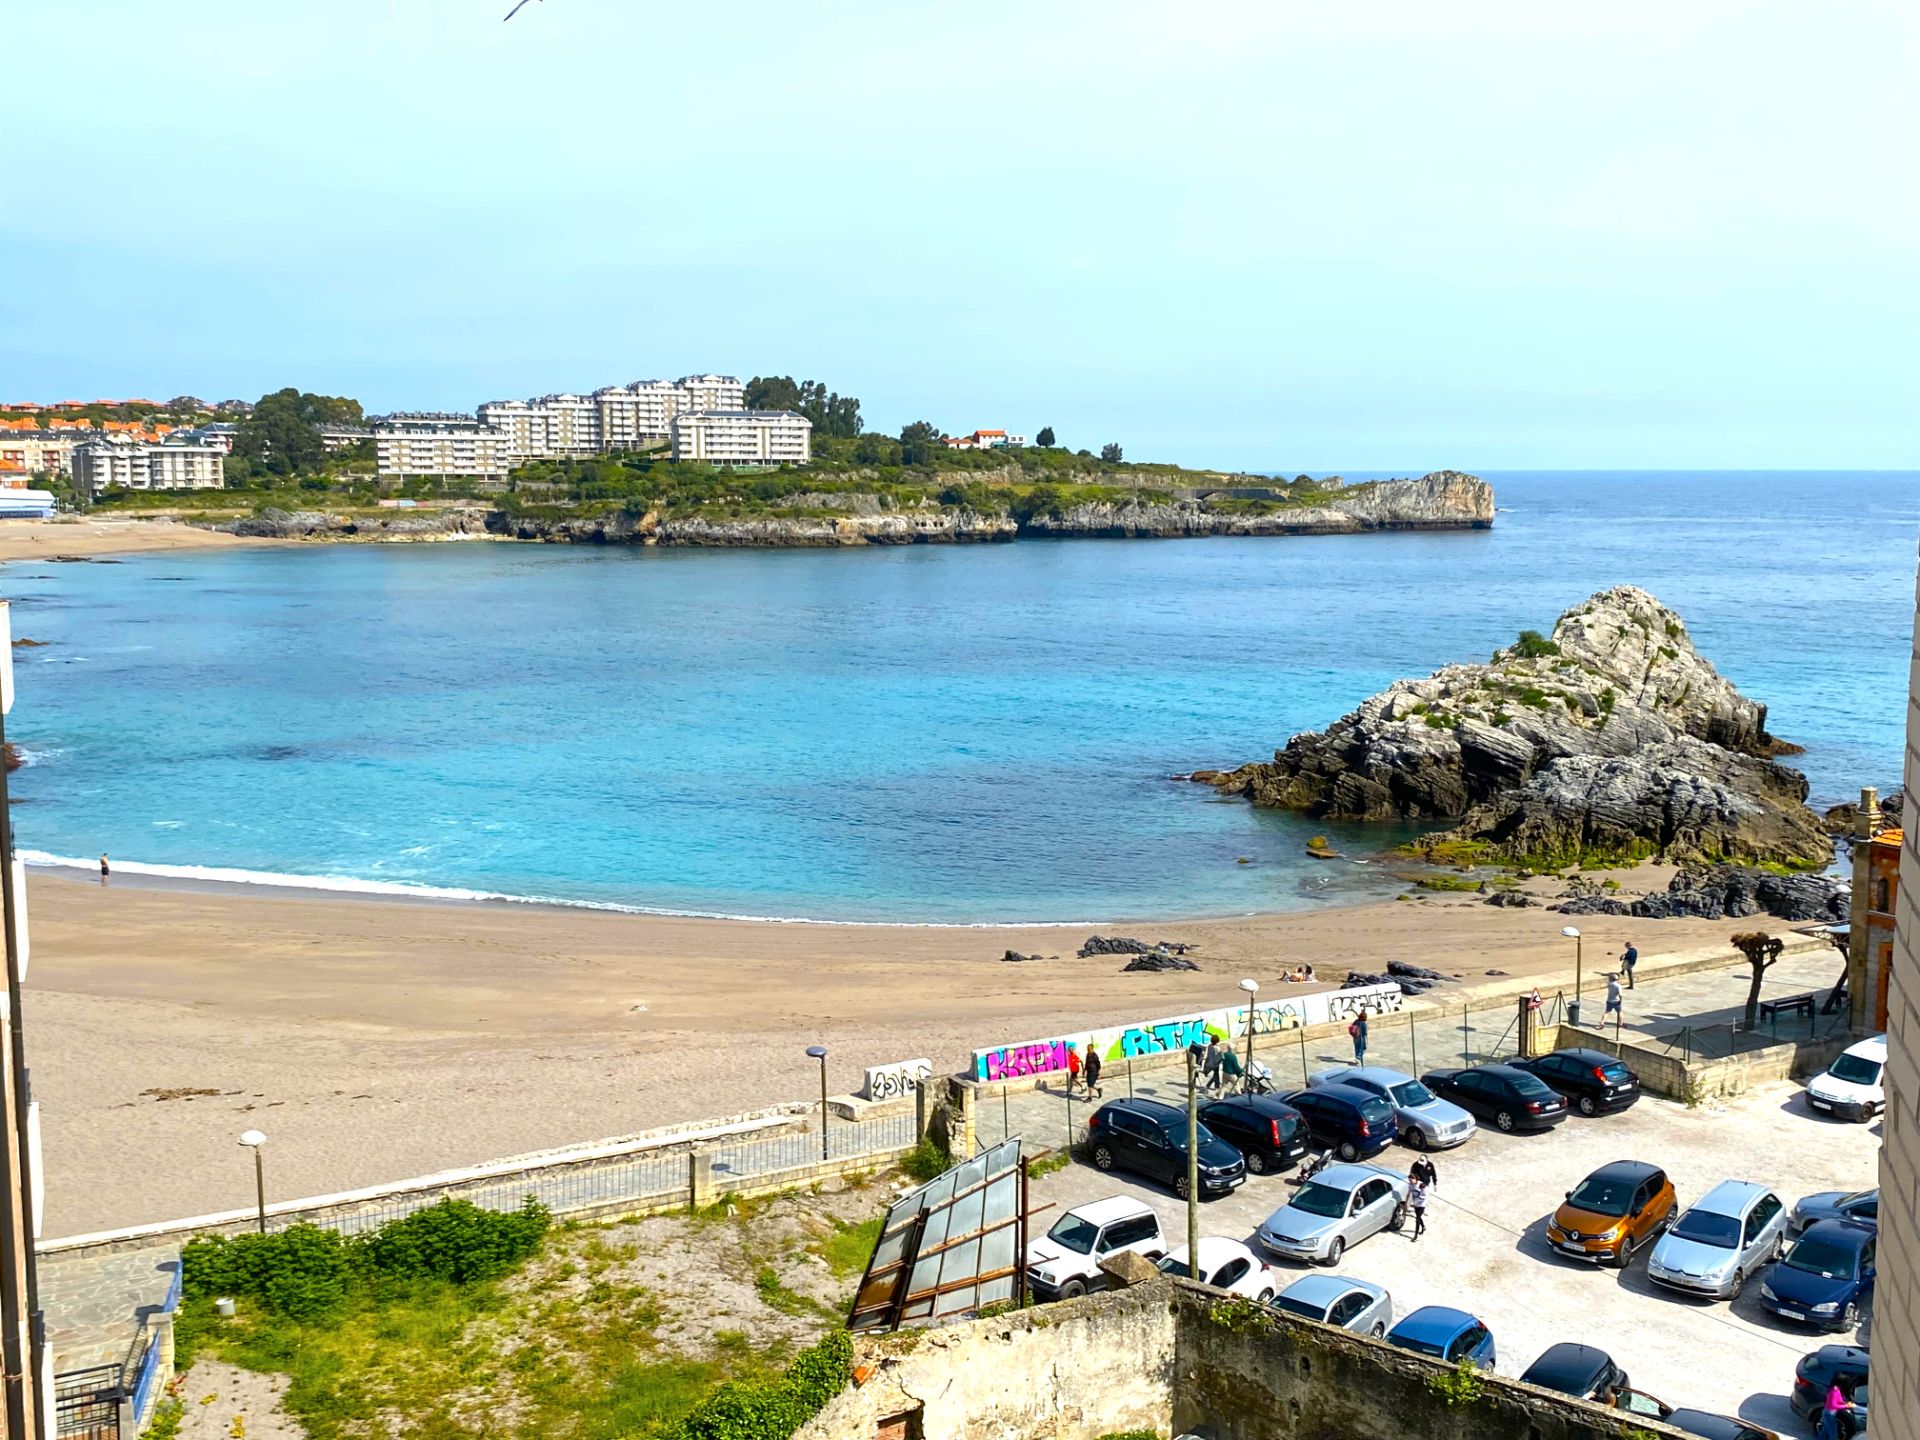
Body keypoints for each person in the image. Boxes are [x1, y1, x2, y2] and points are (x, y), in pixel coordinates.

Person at [1406, 1174, 1429, 1242]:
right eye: (1409, 1180)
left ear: (1415, 1179)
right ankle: (1423, 1227)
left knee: (1417, 1220)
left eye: (1411, 1180)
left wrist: (1417, 1200)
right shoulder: (1410, 1185)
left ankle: (1415, 1236)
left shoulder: (1421, 1184)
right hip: (1415, 1204)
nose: (1410, 1181)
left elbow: (1425, 1196)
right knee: (1418, 1217)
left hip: (1421, 1204)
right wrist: (1406, 1202)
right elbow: (1409, 1193)